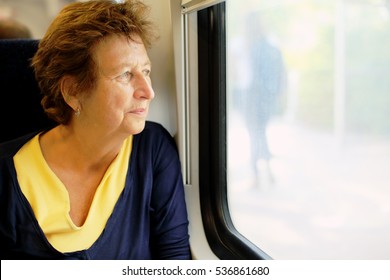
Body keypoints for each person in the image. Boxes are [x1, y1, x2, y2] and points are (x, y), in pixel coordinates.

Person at [0, 0, 191, 259]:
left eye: (146, 71)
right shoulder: (6, 175)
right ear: (73, 91)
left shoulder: (153, 150)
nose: (149, 92)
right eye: (125, 75)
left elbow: (174, 263)